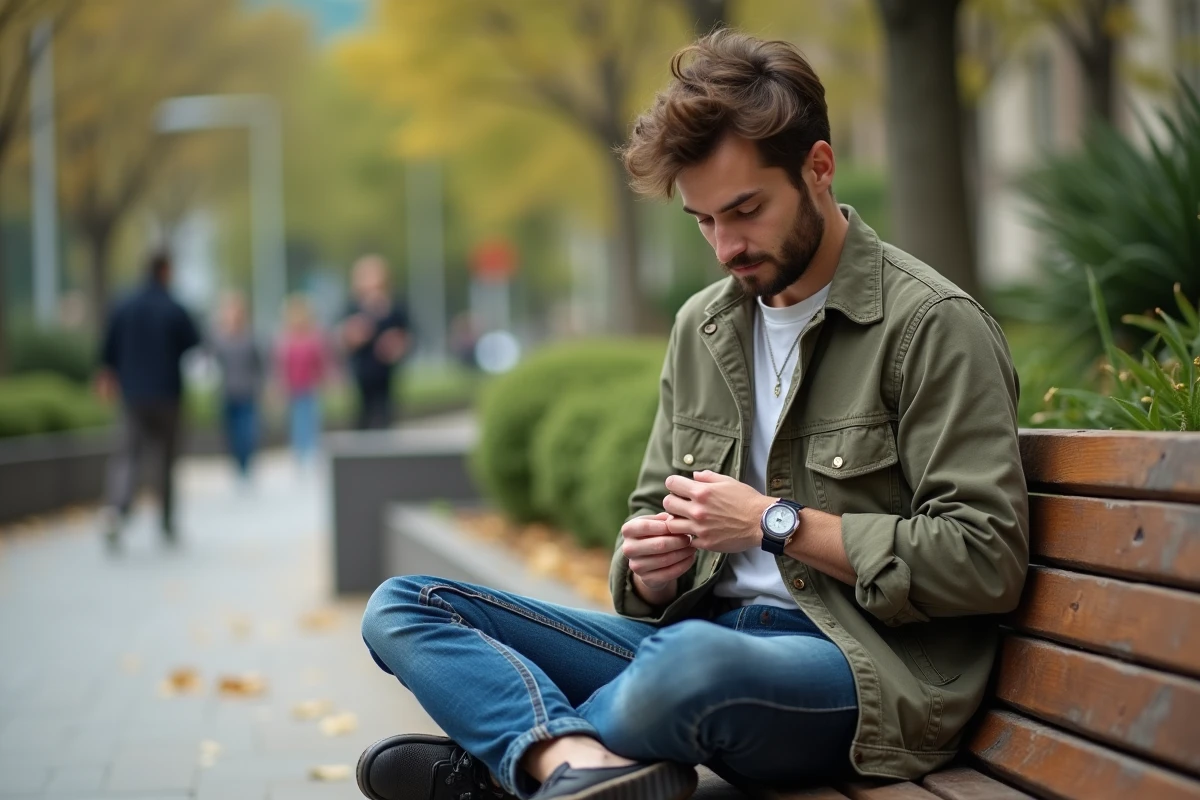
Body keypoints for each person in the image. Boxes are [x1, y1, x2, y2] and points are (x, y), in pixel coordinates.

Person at [356, 31, 1029, 800]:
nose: (725, 247)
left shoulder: (932, 324)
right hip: (688, 646)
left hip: (859, 668)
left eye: (745, 210)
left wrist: (776, 524)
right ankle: (576, 768)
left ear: (818, 167)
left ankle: (508, 763)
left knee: (691, 668)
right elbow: (646, 532)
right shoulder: (702, 328)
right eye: (703, 221)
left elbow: (985, 558)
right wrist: (648, 566)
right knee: (405, 605)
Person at [97, 249, 201, 549]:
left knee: (127, 455)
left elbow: (108, 347)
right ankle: (166, 521)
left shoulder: (124, 305)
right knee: (166, 461)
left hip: (132, 396)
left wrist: (108, 373)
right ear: (165, 271)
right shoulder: (173, 307)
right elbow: (193, 342)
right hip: (168, 395)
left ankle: (117, 510)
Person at [340, 255, 410, 429]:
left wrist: (396, 343)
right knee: (361, 412)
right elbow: (342, 336)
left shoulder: (395, 306)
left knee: (385, 409)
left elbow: (407, 334)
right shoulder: (352, 306)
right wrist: (354, 334)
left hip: (386, 370)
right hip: (361, 367)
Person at [210, 292, 264, 481]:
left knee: (247, 432)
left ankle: (246, 463)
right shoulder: (219, 338)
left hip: (247, 391)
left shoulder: (249, 337)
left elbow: (258, 364)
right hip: (227, 392)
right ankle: (237, 464)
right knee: (231, 433)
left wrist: (259, 385)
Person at [276, 294, 327, 465]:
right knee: (297, 421)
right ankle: (299, 451)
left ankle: (312, 451)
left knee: (312, 418)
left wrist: (325, 380)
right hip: (294, 387)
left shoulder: (314, 338)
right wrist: (280, 385)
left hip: (311, 386)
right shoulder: (286, 340)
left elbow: (320, 362)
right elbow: (281, 365)